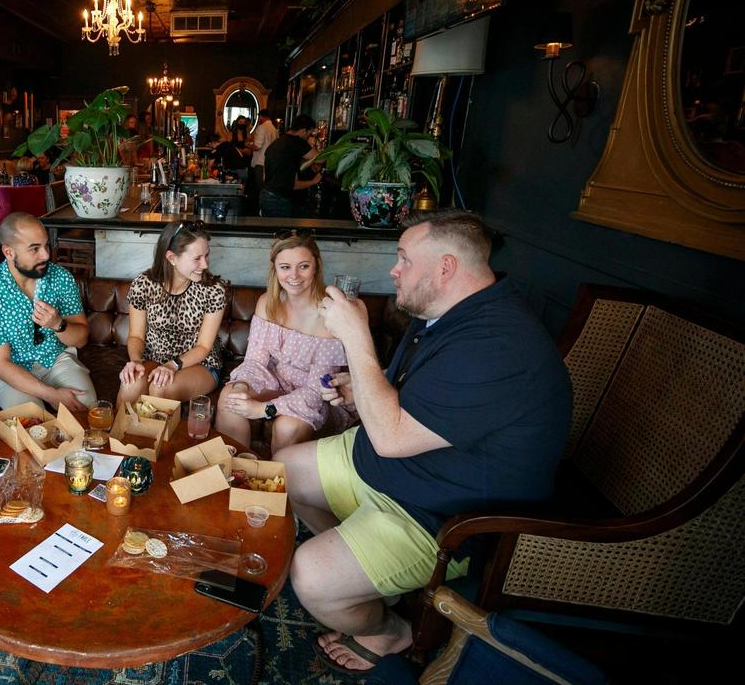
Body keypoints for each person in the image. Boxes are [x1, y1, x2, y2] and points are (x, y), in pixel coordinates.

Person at [275, 209, 572, 674]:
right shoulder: (443, 313)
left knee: (309, 576)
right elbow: (403, 403)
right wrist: (360, 388)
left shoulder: (499, 345)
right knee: (282, 472)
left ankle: (389, 631)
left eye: (403, 258)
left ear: (446, 267)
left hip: (441, 515)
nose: (394, 269)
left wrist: (356, 338)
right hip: (397, 467)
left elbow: (393, 436)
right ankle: (366, 576)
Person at [215, 233, 351, 455]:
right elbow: (255, 362)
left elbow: (317, 391)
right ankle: (236, 473)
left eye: (303, 266)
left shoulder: (329, 315)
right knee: (231, 398)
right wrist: (241, 385)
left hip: (314, 399)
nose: (294, 276)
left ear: (316, 267)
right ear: (275, 270)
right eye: (285, 267)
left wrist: (263, 409)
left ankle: (277, 485)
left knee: (287, 426)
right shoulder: (267, 303)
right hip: (276, 383)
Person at [0, 212, 96, 415]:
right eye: (34, 249)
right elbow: (1, 364)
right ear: (9, 252)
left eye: (46, 245)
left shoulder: (60, 278)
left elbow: (81, 340)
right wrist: (52, 395)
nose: (45, 255)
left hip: (56, 359)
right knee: (33, 422)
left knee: (85, 410)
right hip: (11, 369)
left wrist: (58, 324)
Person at [117, 220, 229, 406]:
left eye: (207, 256)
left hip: (201, 364)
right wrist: (136, 361)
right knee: (131, 385)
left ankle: (157, 435)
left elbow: (203, 347)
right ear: (171, 258)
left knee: (161, 388)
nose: (205, 264)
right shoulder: (143, 284)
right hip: (154, 359)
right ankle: (117, 435)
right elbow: (136, 336)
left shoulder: (214, 290)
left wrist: (172, 365)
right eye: (197, 258)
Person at [261, 115, 322, 218]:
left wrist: (309, 163)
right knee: (282, 232)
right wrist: (314, 181)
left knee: (272, 231)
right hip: (278, 200)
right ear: (303, 131)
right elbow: (321, 158)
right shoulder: (297, 142)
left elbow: (266, 175)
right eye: (309, 133)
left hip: (266, 195)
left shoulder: (278, 143)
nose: (309, 137)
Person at [246, 109, 279, 215]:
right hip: (270, 162)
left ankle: (260, 212)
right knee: (266, 188)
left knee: (260, 189)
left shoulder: (262, 127)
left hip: (260, 162)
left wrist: (248, 145)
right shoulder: (274, 129)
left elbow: (257, 146)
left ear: (261, 117)